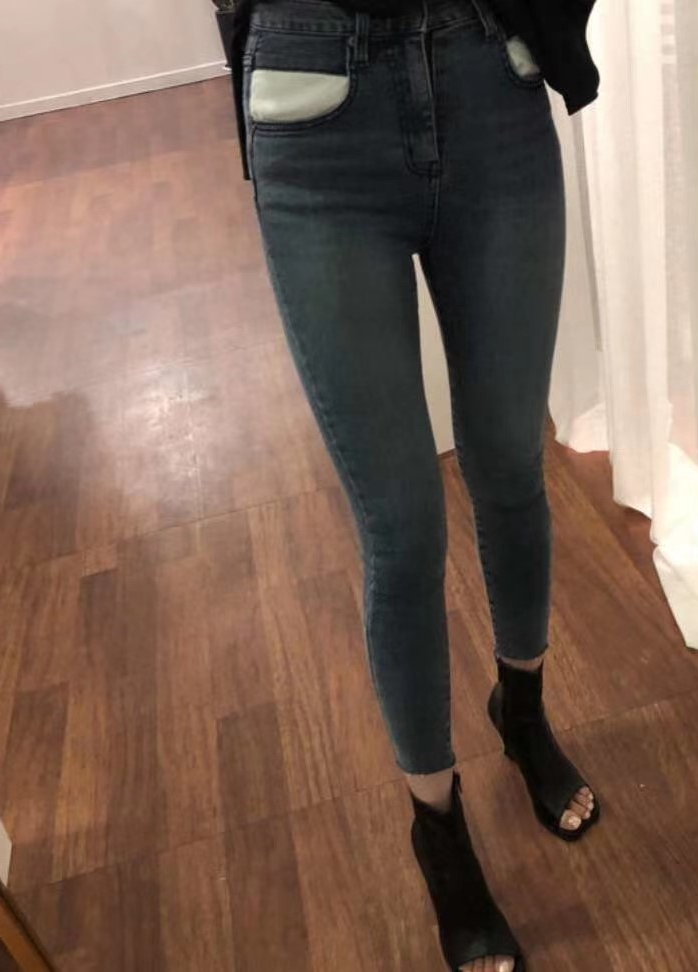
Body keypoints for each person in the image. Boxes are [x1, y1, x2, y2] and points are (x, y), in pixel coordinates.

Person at [230, 1, 601, 968]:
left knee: (512, 463)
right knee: (400, 529)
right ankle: (438, 831)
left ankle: (522, 711)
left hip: (488, 70)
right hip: (314, 99)